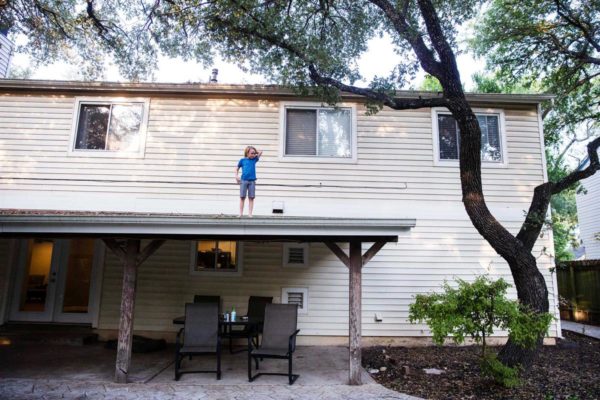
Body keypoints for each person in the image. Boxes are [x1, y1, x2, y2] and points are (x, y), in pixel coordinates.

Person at [235, 146, 262, 217]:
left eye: (254, 153)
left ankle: (250, 214)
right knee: (242, 197)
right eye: (251, 153)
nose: (253, 155)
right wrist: (236, 176)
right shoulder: (242, 160)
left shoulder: (254, 159)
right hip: (243, 180)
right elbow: (236, 168)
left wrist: (255, 152)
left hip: (252, 181)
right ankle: (240, 213)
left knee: (251, 198)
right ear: (247, 153)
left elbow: (261, 151)